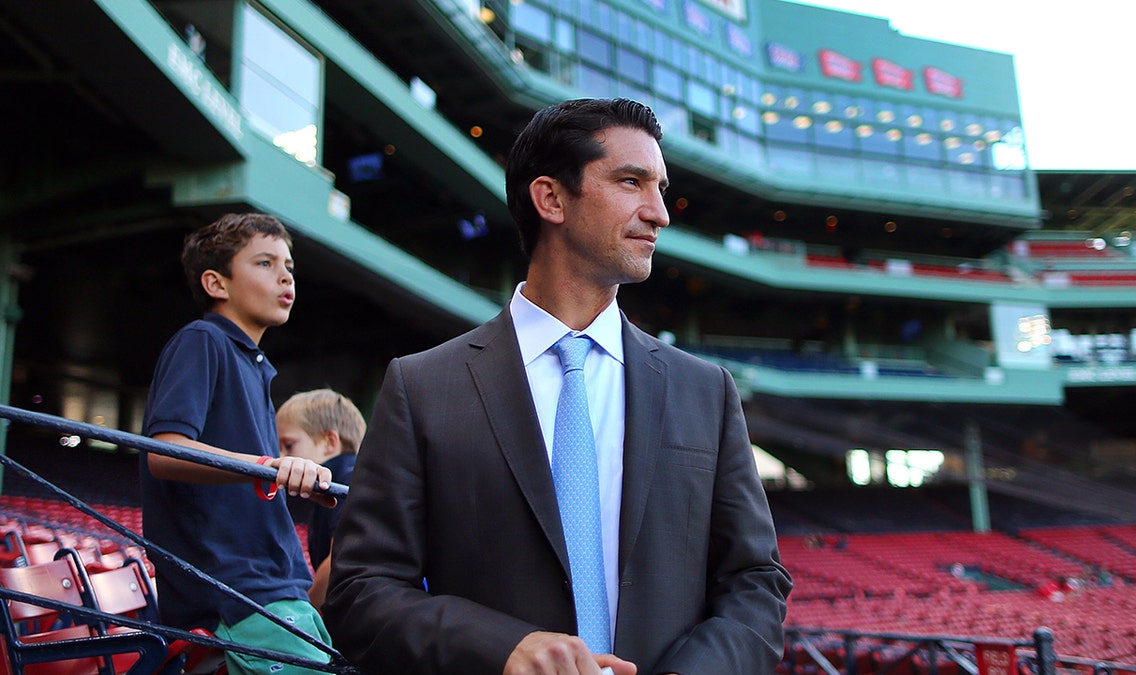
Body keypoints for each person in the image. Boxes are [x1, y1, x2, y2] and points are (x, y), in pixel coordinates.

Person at [323, 98, 792, 675]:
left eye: (660, 188)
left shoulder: (706, 391)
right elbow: (361, 591)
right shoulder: (422, 386)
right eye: (631, 182)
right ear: (550, 199)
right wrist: (503, 649)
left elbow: (755, 581)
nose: (660, 213)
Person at [140, 213, 336, 675]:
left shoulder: (254, 363)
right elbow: (165, 452)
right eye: (265, 263)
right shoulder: (203, 339)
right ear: (216, 283)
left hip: (273, 586)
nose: (286, 275)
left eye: (288, 265)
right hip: (233, 594)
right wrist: (270, 465)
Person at [276, 388, 366, 607]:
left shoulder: (347, 475)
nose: (280, 458)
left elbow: (341, 554)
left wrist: (309, 610)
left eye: (289, 446)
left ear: (330, 442)